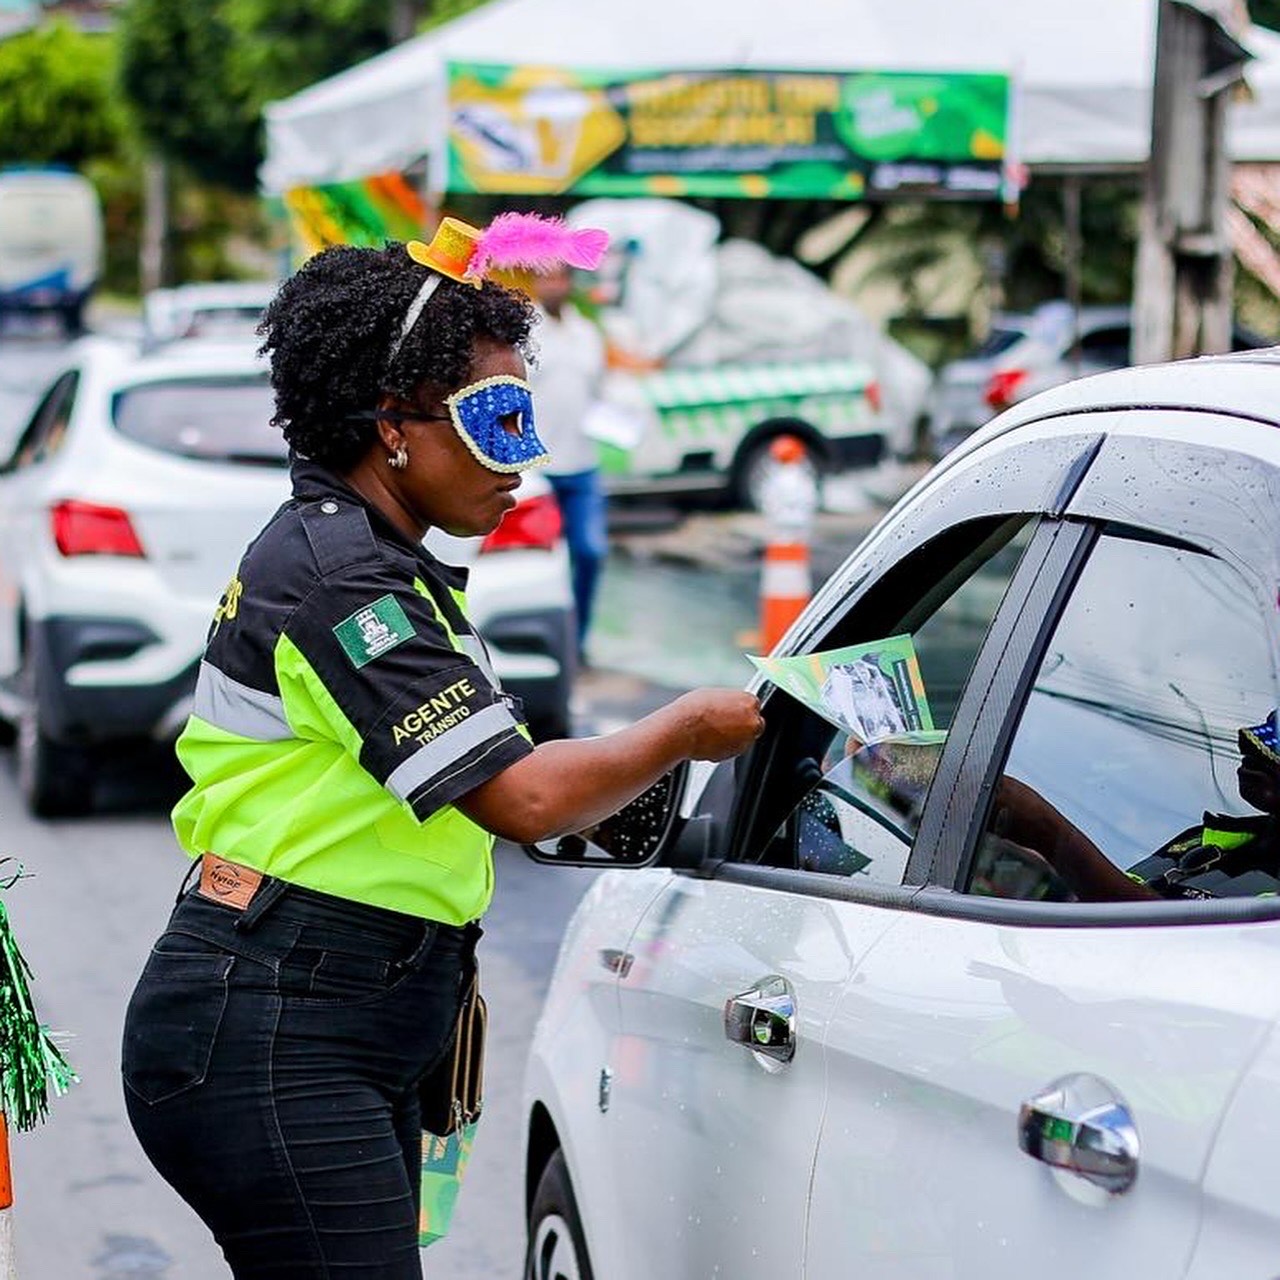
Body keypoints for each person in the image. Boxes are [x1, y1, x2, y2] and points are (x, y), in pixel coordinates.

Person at [119, 216, 763, 1280]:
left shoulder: (374, 560)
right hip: (279, 1022)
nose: (526, 458)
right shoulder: (344, 581)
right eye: (498, 419)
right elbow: (516, 797)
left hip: (329, 1007)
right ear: (393, 427)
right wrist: (687, 725)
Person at [980, 710, 1280, 902]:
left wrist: (1046, 830)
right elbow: (1115, 897)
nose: (1246, 747)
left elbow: (1168, 941)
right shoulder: (1207, 838)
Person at [527, 261, 609, 665]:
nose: (552, 284)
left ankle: (578, 643)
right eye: (545, 277)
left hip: (582, 463)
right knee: (539, 566)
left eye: (559, 277)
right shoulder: (526, 333)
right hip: (537, 470)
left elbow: (600, 392)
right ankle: (547, 646)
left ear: (569, 282)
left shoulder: (587, 333)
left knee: (590, 552)